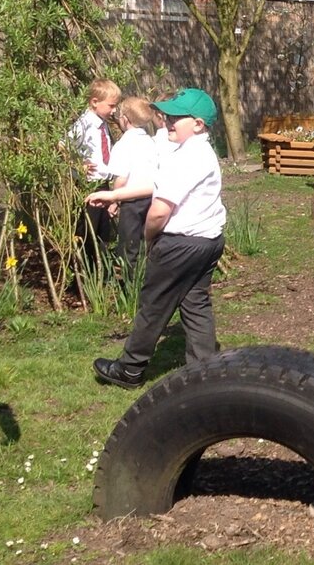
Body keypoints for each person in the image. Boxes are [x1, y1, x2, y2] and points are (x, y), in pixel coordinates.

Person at [92, 88, 226, 389]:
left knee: (153, 305)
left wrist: (150, 239)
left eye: (176, 117)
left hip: (181, 244)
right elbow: (155, 184)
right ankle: (205, 372)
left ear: (198, 125)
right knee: (195, 303)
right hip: (208, 241)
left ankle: (129, 369)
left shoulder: (190, 157)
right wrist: (114, 194)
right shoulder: (193, 151)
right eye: (168, 115)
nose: (167, 121)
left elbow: (158, 212)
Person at [87, 96, 160, 277]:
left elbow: (121, 178)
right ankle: (148, 276)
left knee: (129, 244)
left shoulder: (124, 144)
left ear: (125, 119)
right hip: (152, 198)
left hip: (131, 201)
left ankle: (131, 283)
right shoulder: (151, 142)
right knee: (146, 240)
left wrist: (114, 200)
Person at [68, 78, 121, 254]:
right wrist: (77, 165)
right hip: (89, 185)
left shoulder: (103, 123)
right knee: (87, 231)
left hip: (103, 184)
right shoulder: (84, 124)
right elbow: (63, 146)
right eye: (111, 106)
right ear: (95, 102)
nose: (114, 110)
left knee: (103, 232)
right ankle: (83, 271)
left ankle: (99, 270)